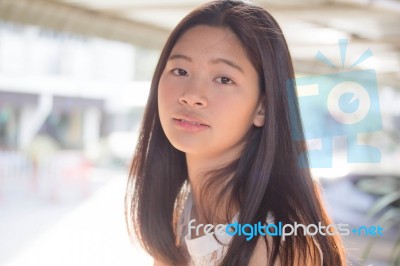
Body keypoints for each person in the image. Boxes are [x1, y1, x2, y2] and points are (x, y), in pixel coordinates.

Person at [125, 0, 346, 265]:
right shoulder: (185, 210)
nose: (192, 96)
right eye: (180, 70)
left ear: (263, 107)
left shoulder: (274, 244)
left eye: (223, 79)